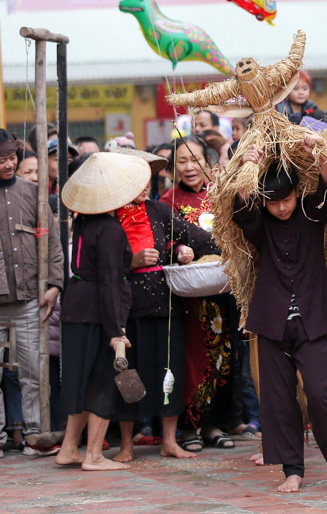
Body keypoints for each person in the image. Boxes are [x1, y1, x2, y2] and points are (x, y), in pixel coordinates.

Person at [233, 131, 327, 493]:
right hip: (270, 322)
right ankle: (292, 469)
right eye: (274, 203)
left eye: (286, 199)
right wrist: (248, 167)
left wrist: (318, 149)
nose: (282, 208)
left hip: (314, 320)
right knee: (277, 399)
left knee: (321, 394)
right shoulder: (261, 226)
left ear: (295, 194)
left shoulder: (310, 215)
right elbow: (241, 211)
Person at [114, 148, 219, 462]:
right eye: (138, 179)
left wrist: (229, 242)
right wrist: (131, 261)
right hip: (127, 307)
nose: (145, 185)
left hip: (164, 303)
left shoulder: (159, 211)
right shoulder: (108, 215)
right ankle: (127, 444)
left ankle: (170, 440)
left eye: (148, 178)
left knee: (169, 369)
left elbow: (196, 236)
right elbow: (97, 265)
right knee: (128, 373)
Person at [54, 152, 148, 470]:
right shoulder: (109, 229)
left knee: (80, 381)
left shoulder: (83, 220)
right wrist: (116, 331)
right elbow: (110, 282)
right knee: (102, 382)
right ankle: (93, 455)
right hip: (97, 312)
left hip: (77, 306)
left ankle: (68, 448)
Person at [160, 137, 240, 451]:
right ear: (172, 168)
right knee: (192, 357)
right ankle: (188, 427)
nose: (190, 167)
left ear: (208, 163)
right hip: (189, 296)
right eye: (182, 161)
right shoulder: (167, 201)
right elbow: (161, 241)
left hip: (224, 289)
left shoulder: (221, 195)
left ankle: (215, 424)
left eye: (195, 160)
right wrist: (177, 249)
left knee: (225, 356)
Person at [0, 130, 64, 456]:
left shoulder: (34, 195)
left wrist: (54, 285)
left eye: (11, 158)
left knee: (33, 373)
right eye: (2, 160)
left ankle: (36, 436)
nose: (9, 164)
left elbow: (52, 244)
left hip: (29, 298)